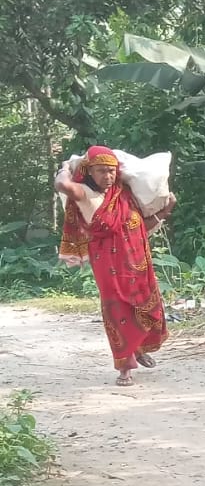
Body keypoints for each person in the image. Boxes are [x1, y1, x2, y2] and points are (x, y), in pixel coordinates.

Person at [56, 146, 175, 386]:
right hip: (108, 267)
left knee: (146, 308)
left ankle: (138, 348)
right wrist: (66, 168)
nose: (108, 176)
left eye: (111, 171)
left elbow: (141, 226)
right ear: (89, 171)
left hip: (139, 265)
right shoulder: (85, 194)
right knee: (118, 312)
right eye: (101, 171)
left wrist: (166, 210)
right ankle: (125, 367)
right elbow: (62, 185)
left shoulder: (123, 194)